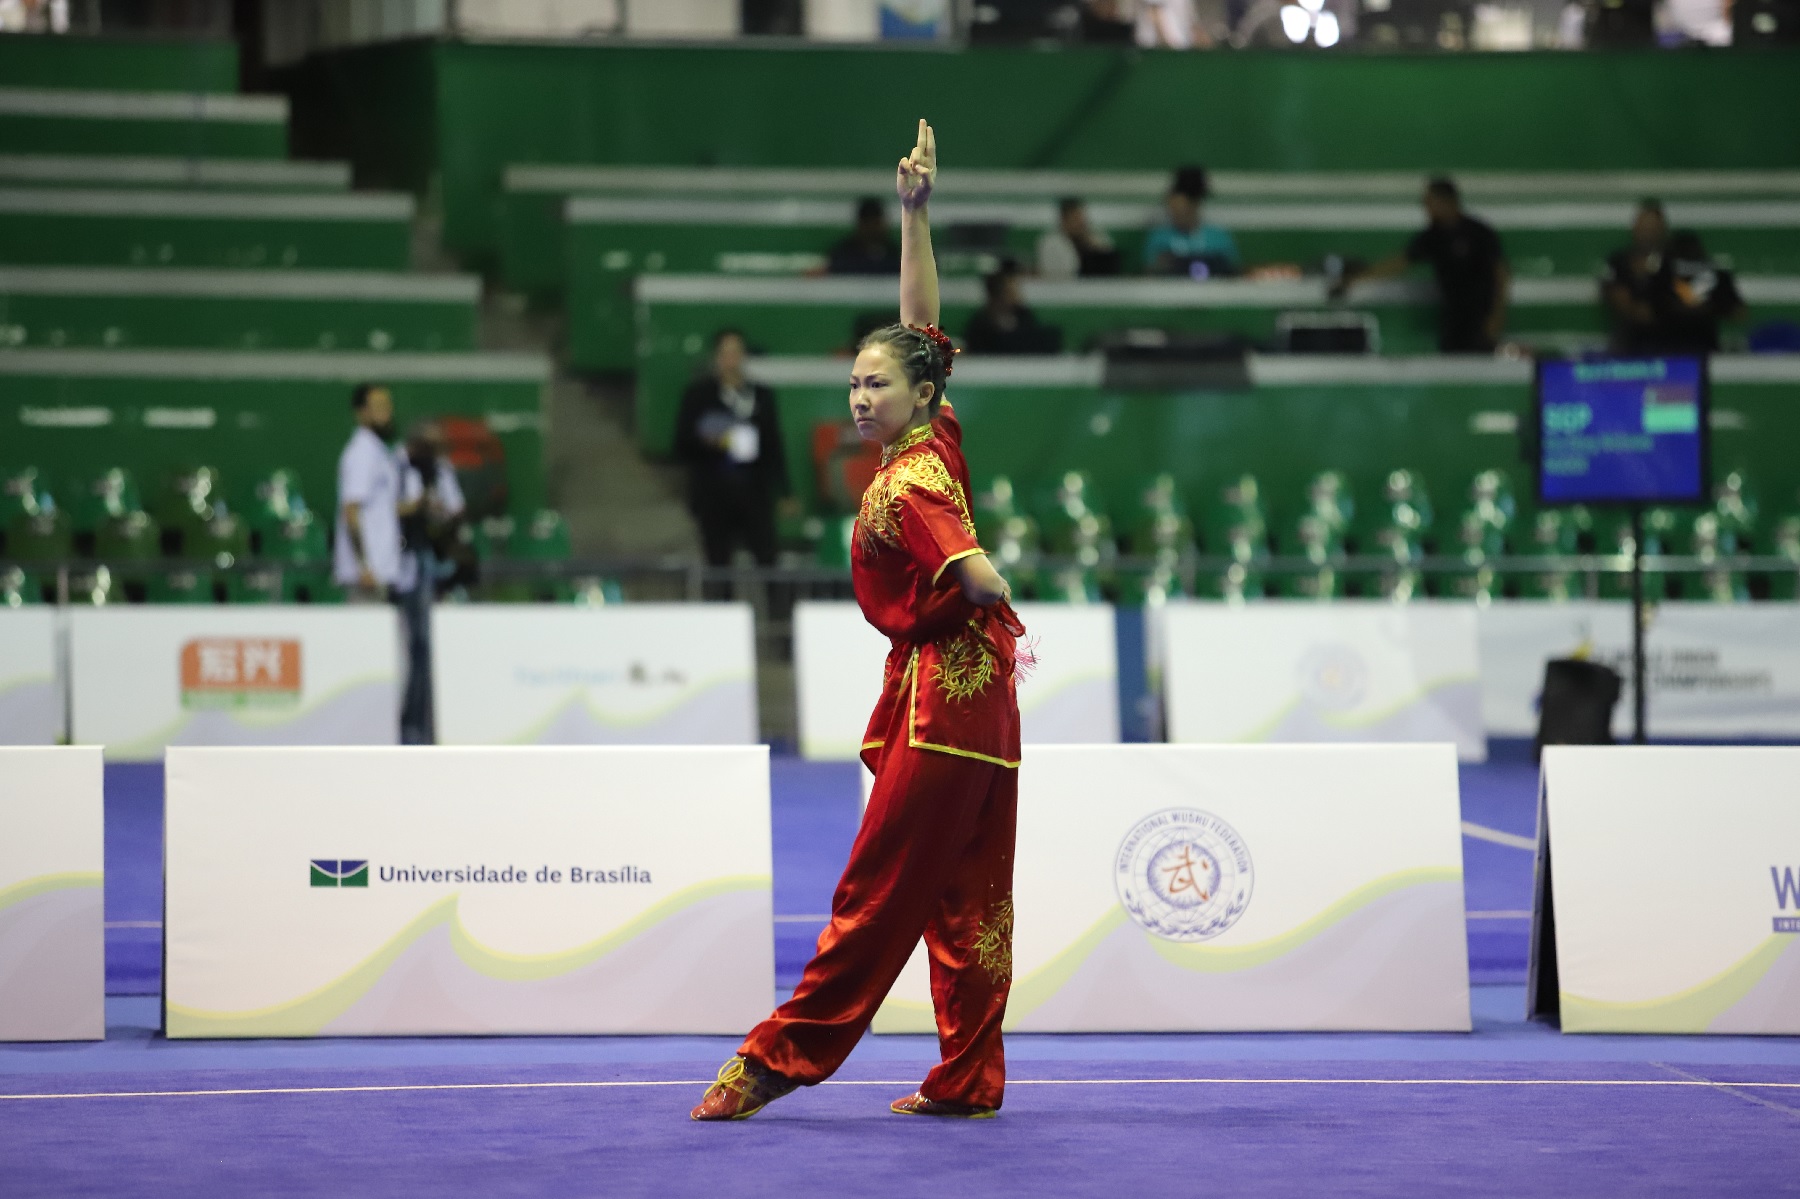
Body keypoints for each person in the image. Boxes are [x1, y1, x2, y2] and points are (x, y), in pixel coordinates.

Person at [693, 119, 1026, 1124]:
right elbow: (919, 327)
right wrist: (916, 215)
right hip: (989, 713)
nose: (860, 393)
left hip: (938, 710)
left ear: (917, 395)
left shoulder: (909, 483)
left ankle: (772, 1059)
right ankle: (968, 1079)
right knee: (973, 903)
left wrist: (989, 584)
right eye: (854, 381)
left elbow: (970, 570)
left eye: (876, 382)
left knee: (875, 894)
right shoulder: (937, 434)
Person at [1338, 176, 1510, 354]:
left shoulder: (1479, 233)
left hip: (1481, 315)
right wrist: (1357, 279)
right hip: (1453, 317)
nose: (1426, 207)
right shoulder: (1433, 236)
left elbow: (1500, 273)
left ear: (1446, 201)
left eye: (1430, 201)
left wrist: (1496, 315)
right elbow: (1399, 262)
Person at [673, 329, 792, 569]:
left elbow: (772, 445)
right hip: (713, 494)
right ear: (716, 358)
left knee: (768, 560)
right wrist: (715, 441)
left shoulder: (761, 396)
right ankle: (720, 607)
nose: (731, 359)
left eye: (736, 352)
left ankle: (777, 607)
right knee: (718, 565)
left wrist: (785, 491)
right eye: (725, 353)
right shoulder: (698, 396)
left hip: (754, 494)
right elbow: (681, 443)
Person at [392, 422, 465, 745]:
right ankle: (411, 727)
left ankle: (424, 725)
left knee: (424, 646)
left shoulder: (439, 470)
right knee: (415, 646)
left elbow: (455, 507)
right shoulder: (397, 466)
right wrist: (417, 505)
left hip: (428, 559)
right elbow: (386, 508)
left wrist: (436, 507)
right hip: (400, 559)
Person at [333, 383, 409, 602]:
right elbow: (351, 510)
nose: (386, 411)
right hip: (367, 576)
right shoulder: (361, 453)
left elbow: (381, 508)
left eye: (387, 404)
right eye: (378, 405)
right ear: (361, 412)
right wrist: (363, 566)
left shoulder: (379, 452)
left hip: (381, 572)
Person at [1641, 230, 1746, 354]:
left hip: (1704, 348)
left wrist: (1710, 306)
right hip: (1665, 348)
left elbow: (1740, 313)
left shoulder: (1718, 277)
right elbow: (1643, 312)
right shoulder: (1661, 277)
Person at [1143, 166, 1241, 277]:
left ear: (1196, 204)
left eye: (1185, 209)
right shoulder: (1159, 239)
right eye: (1173, 209)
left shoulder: (1219, 238)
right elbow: (1151, 274)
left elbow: (1233, 273)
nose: (1178, 214)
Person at [1600, 199, 1669, 352]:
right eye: (1644, 226)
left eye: (1653, 227)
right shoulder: (1618, 262)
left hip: (1668, 340)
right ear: (1635, 226)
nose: (1648, 232)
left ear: (1662, 228)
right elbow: (1620, 300)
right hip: (1628, 341)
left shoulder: (1673, 262)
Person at [962, 266, 1063, 354]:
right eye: (1010, 291)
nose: (1016, 294)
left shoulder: (1024, 316)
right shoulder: (981, 324)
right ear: (998, 294)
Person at [1036, 196, 1121, 280]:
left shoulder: (1095, 237)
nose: (1081, 223)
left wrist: (1091, 246)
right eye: (1075, 218)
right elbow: (1061, 273)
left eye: (1082, 218)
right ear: (1064, 220)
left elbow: (1110, 263)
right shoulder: (1051, 243)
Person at [826, 196, 901, 275]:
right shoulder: (843, 253)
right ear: (861, 224)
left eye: (876, 224)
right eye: (868, 224)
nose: (873, 229)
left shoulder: (893, 253)